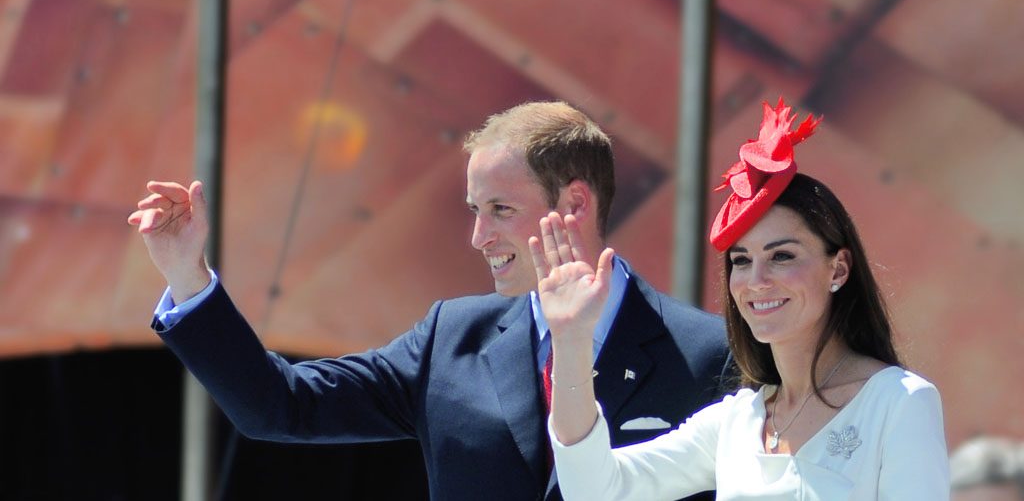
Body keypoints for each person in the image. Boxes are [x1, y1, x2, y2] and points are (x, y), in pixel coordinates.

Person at [127, 101, 731, 500]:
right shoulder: (452, 338)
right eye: (475, 210)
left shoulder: (707, 354)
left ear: (574, 205)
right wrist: (188, 275)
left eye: (501, 210)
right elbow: (281, 407)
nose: (478, 237)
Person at [535, 99, 950, 500]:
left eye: (782, 256)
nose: (756, 280)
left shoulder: (899, 402)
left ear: (838, 269)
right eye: (741, 260)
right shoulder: (737, 420)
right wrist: (571, 340)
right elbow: (594, 490)